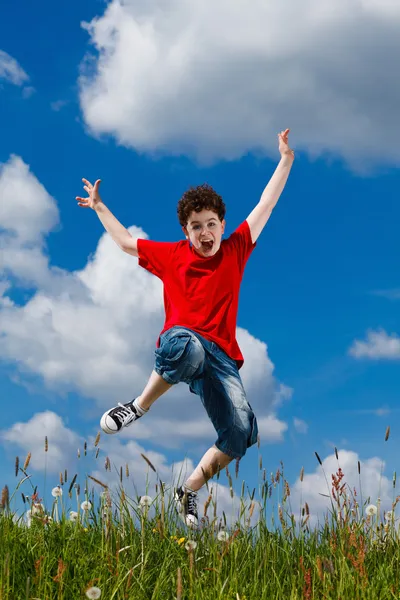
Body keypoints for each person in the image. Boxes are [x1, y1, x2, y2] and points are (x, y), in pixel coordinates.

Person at [76, 129, 294, 527]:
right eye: (197, 227)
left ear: (223, 224)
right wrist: (99, 208)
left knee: (242, 433)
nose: (206, 233)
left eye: (212, 224)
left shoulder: (236, 249)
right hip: (183, 344)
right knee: (187, 346)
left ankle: (189, 489)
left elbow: (266, 204)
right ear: (186, 232)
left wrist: (285, 160)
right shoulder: (172, 256)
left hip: (223, 358)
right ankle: (138, 406)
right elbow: (126, 243)